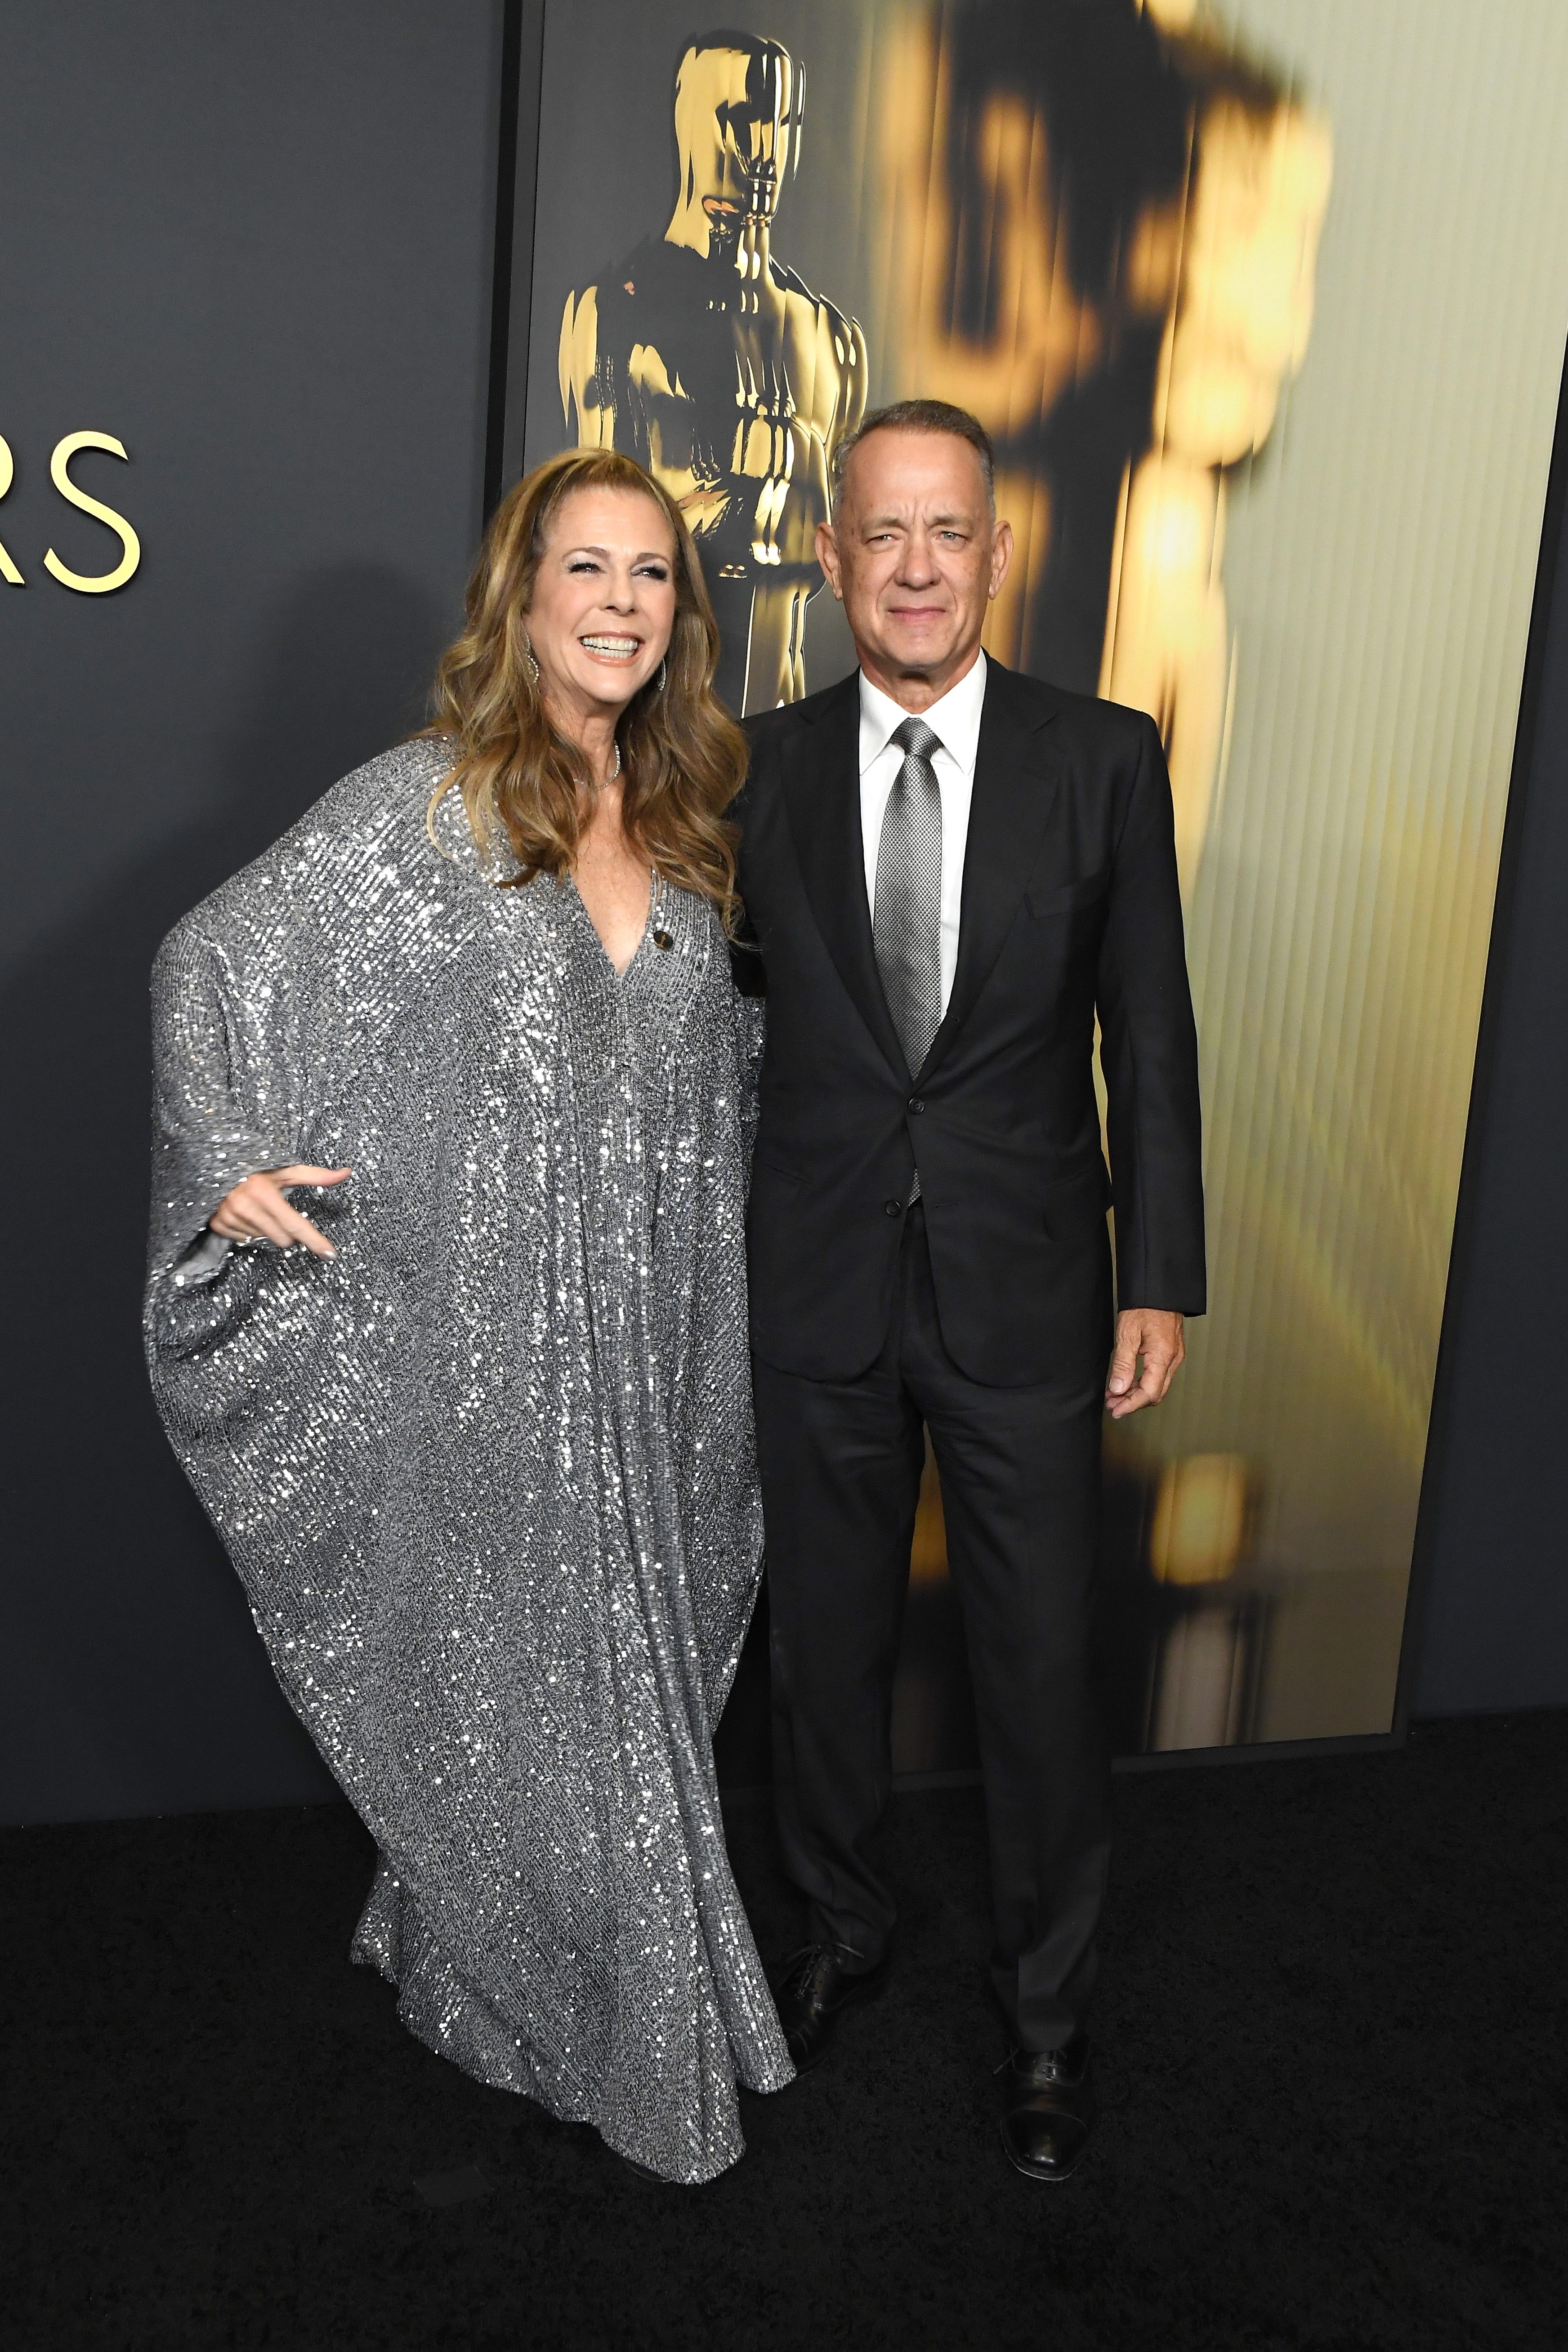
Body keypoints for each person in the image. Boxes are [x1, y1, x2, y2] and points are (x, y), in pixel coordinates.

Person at [144, 448, 792, 2186]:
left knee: (633, 1672)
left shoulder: (692, 824)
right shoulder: (431, 806)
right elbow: (214, 957)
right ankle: (564, 2006)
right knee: (512, 1677)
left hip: (659, 1341)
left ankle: (489, 1966)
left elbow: (720, 1087)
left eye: (649, 574)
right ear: (520, 597)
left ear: (682, 611)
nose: (616, 604)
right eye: (582, 569)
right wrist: (225, 1163)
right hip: (491, 1349)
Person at [733, 399, 1206, 2182]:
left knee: (1033, 1671)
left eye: (949, 533)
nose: (915, 566)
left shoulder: (1104, 759)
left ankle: (1043, 2020)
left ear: (995, 554)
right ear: (833, 555)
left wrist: (1156, 1272)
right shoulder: (752, 768)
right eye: (882, 534)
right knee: (822, 1662)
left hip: (1029, 1299)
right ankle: (842, 1932)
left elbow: (1144, 1032)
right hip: (820, 1292)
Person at [560, 28, 865, 714]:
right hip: (656, 728)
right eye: (740, 120)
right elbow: (594, 540)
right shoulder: (611, 314)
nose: (764, 153)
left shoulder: (832, 337)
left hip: (790, 731)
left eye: (782, 125)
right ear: (688, 122)